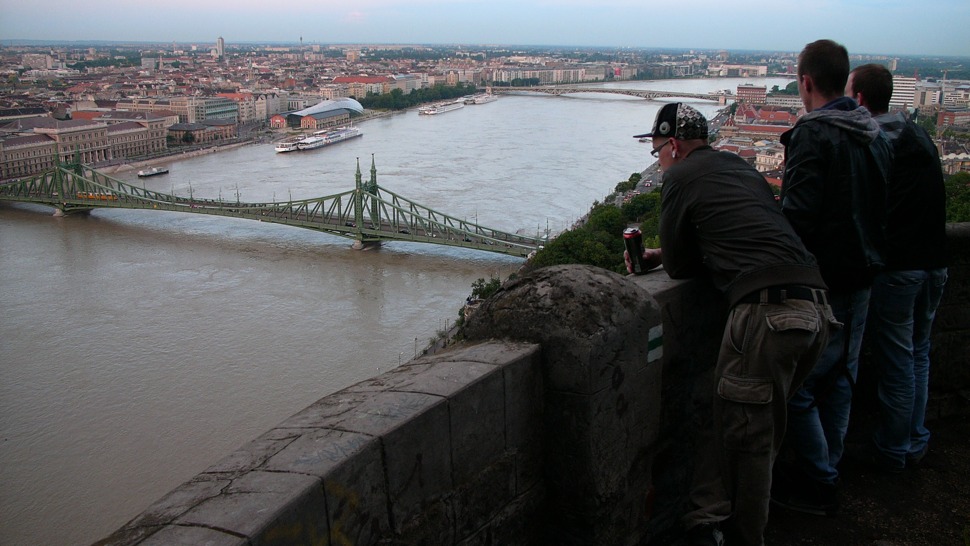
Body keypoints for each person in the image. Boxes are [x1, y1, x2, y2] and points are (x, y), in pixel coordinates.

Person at [628, 102, 836, 546]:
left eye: (658, 150)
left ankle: (740, 535)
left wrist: (660, 256)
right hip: (816, 307)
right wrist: (661, 255)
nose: (658, 159)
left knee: (747, 444)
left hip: (767, 314)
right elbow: (742, 237)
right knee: (760, 431)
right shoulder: (740, 169)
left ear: (676, 146)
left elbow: (682, 267)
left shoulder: (679, 177)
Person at [772, 40, 893, 516]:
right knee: (842, 378)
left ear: (805, 82)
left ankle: (818, 480)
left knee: (797, 386)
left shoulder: (813, 135)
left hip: (823, 280)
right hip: (866, 272)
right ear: (843, 81)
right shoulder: (873, 131)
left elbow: (797, 217)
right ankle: (830, 467)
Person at [845, 63, 949, 472]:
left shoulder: (875, 139)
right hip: (936, 262)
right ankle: (913, 438)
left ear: (859, 99)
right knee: (919, 353)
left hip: (901, 265)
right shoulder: (916, 132)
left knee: (897, 359)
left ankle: (893, 448)